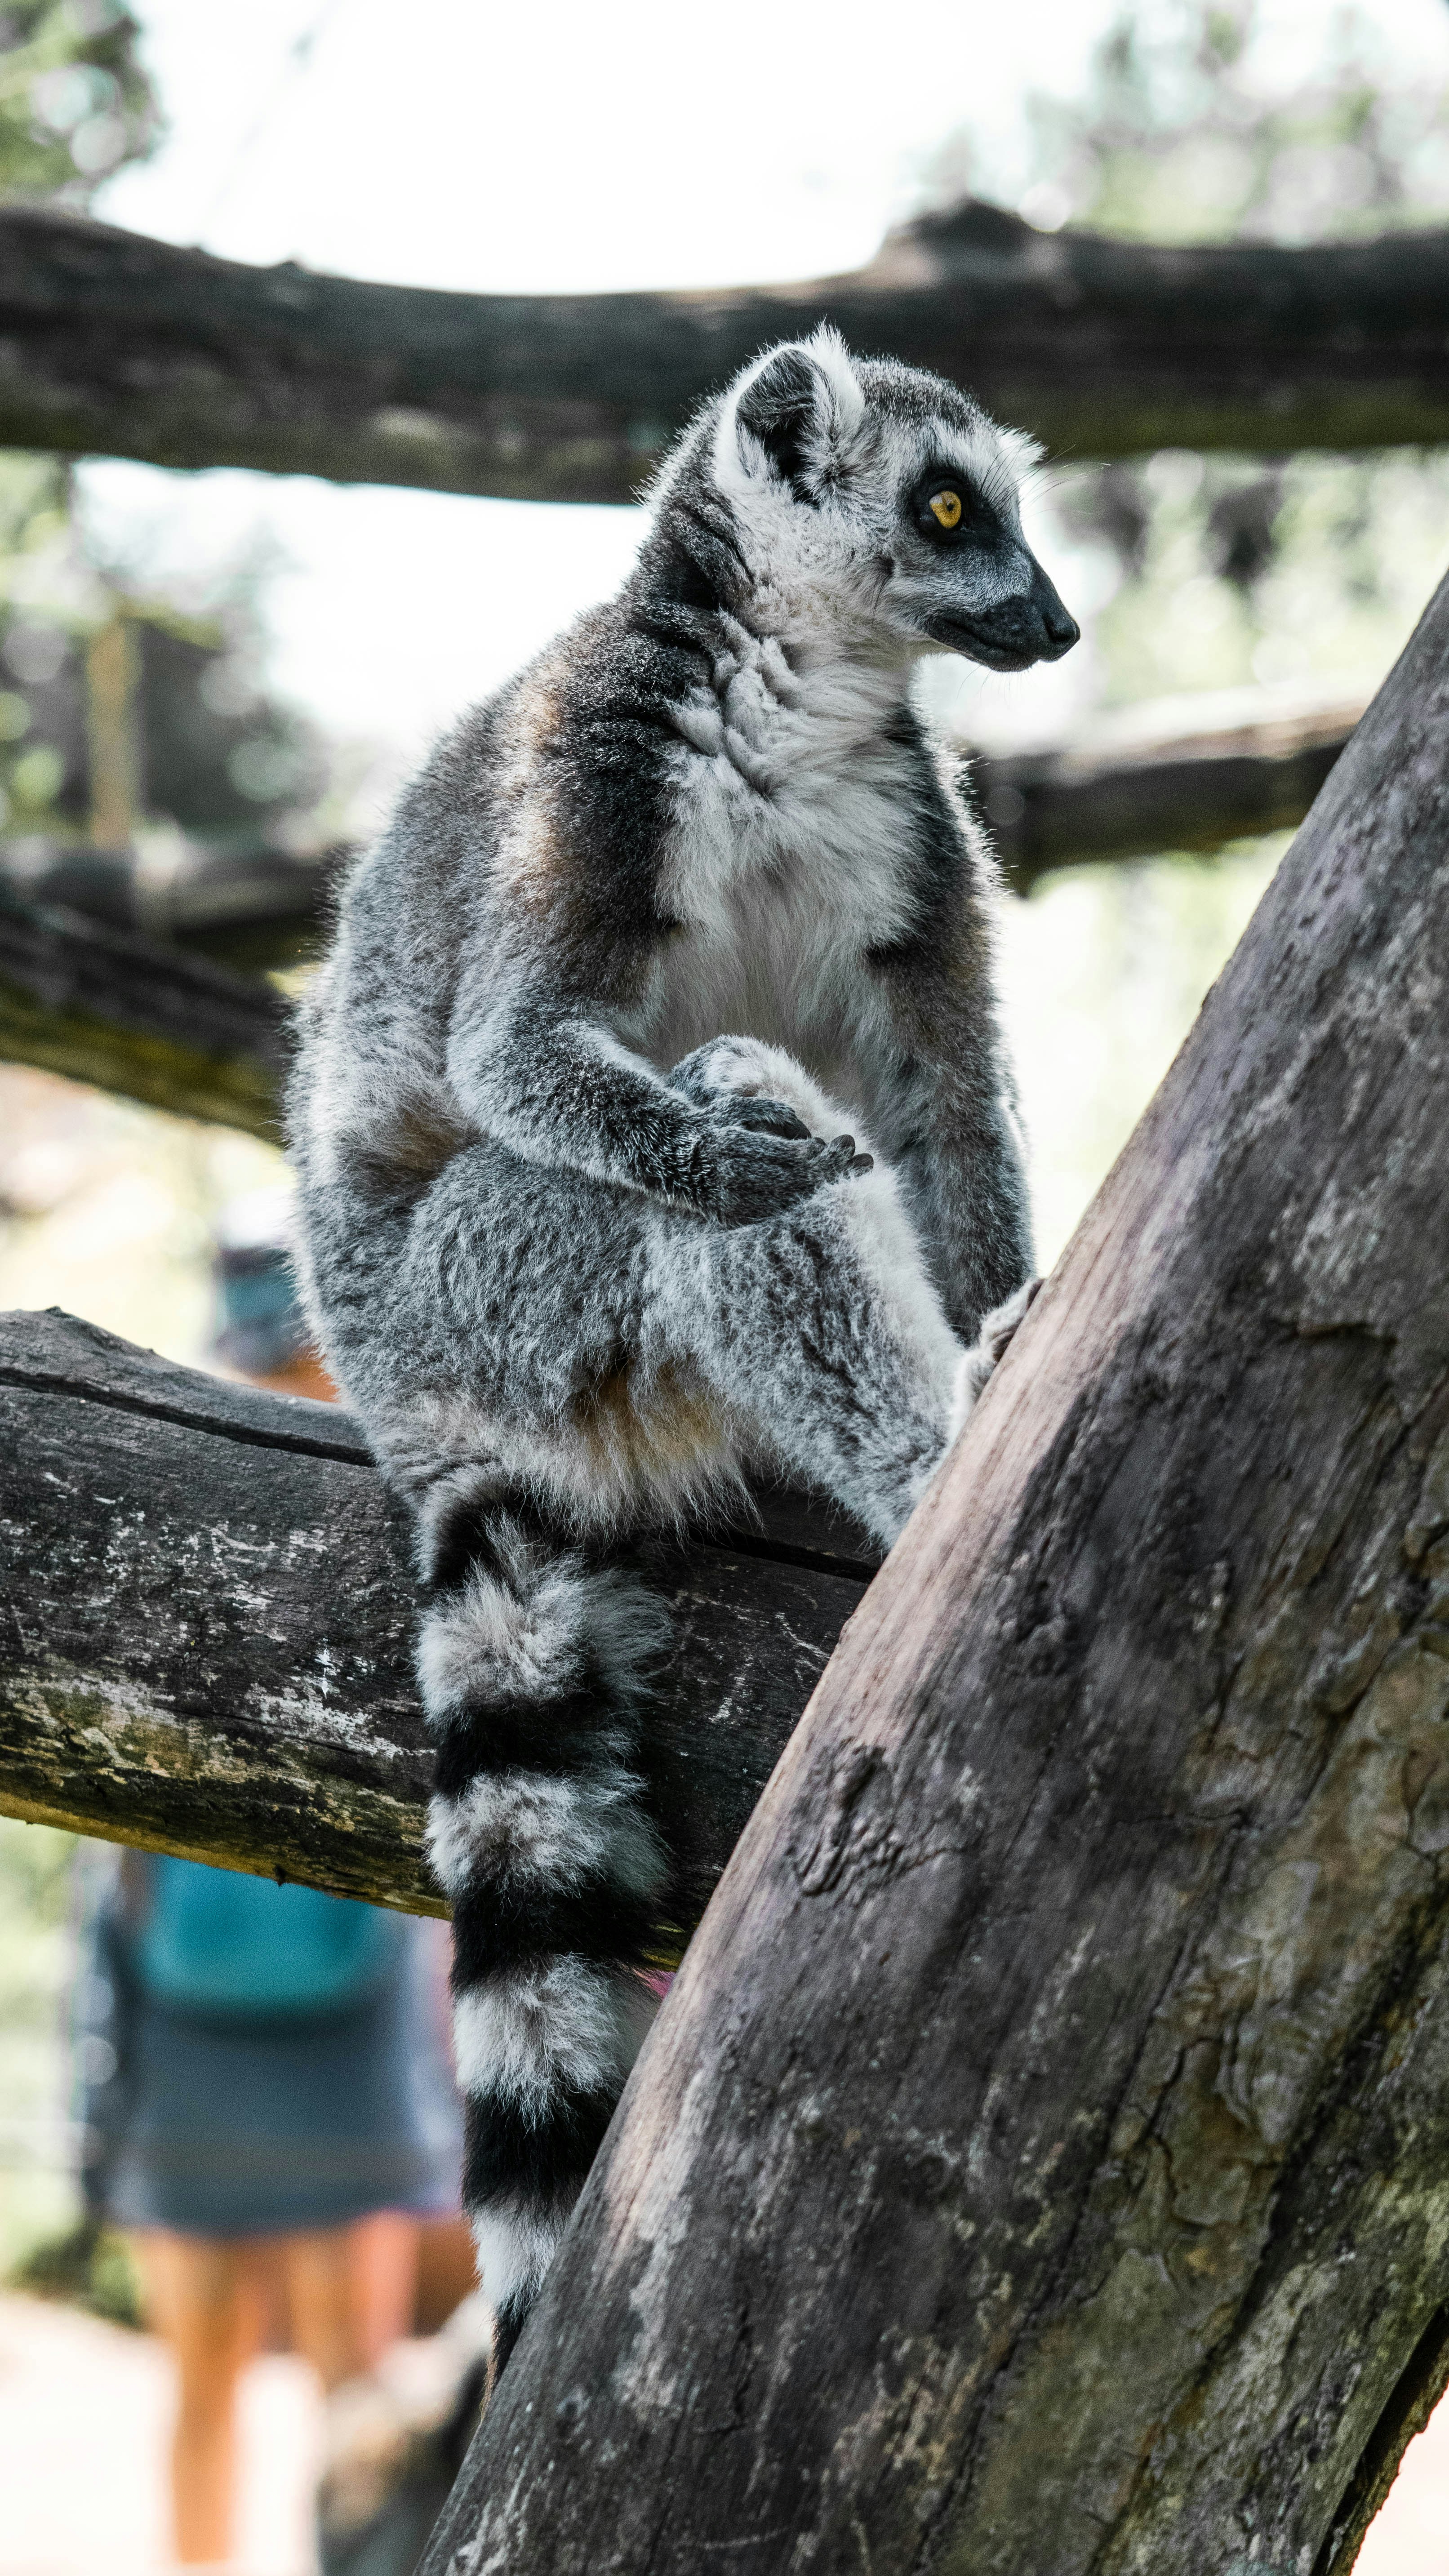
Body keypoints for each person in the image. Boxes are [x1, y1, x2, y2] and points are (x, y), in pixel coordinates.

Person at [70, 1196, 470, 2567]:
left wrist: (98, 2067)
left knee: (206, 2386)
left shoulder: (149, 1449)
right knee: (344, 2393)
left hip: (195, 2025)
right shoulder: (404, 1467)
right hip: (348, 2020)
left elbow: (103, 1810)